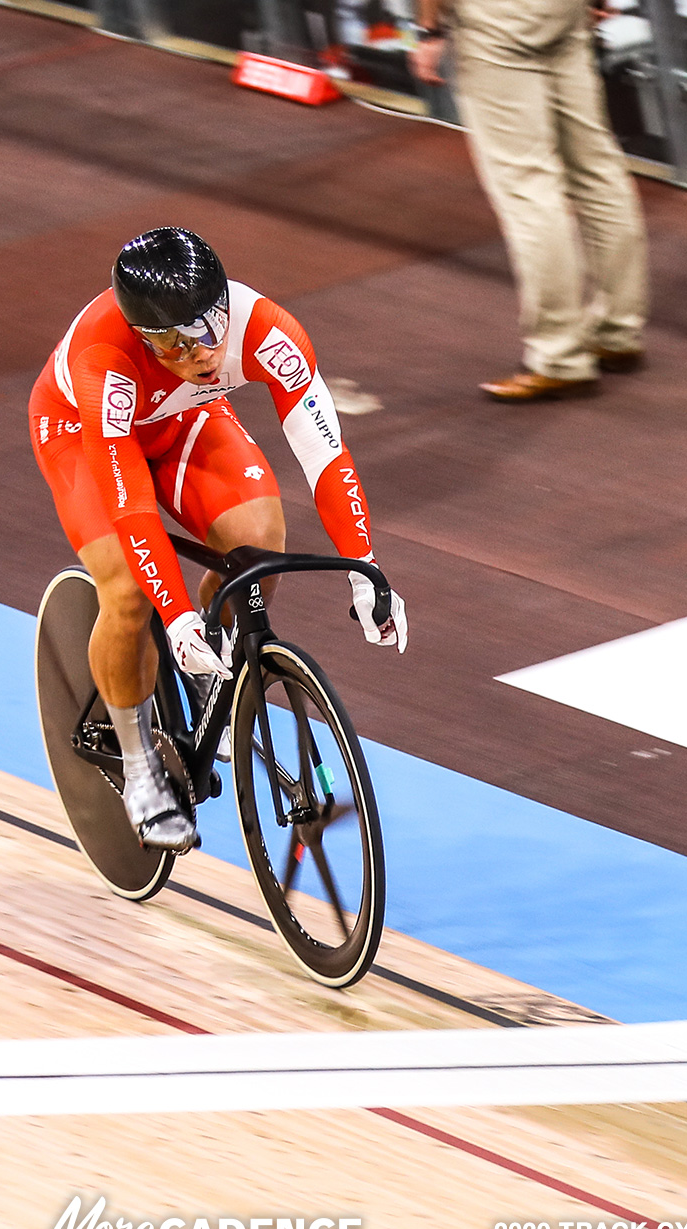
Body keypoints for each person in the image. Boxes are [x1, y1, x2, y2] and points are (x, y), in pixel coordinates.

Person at [30, 227, 407, 851]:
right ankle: (139, 760)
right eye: (178, 343)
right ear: (147, 339)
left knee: (259, 543)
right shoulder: (104, 359)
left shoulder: (266, 330)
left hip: (183, 419)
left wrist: (363, 566)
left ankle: (213, 674)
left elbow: (327, 457)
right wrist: (175, 616)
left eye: (211, 327)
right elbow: (128, 504)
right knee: (127, 591)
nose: (203, 350)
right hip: (82, 435)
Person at [410, 0, 648, 402]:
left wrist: (430, 32)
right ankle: (617, 334)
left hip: (496, 20)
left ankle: (559, 358)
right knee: (597, 171)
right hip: (565, 12)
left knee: (528, 186)